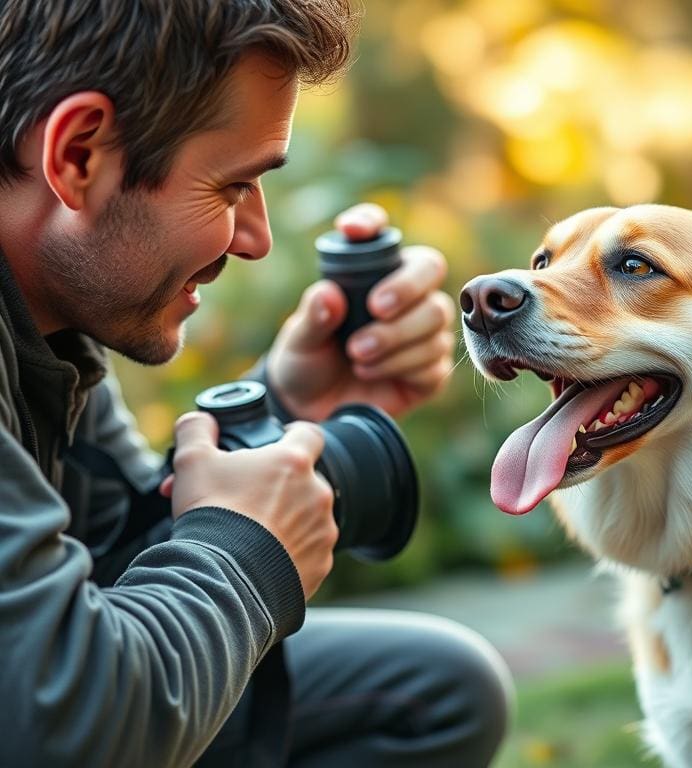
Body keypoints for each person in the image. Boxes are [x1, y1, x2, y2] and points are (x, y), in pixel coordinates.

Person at [0, 1, 513, 766]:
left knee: (430, 692)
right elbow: (59, 722)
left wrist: (287, 405)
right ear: (79, 154)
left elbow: (107, 557)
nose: (256, 239)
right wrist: (248, 550)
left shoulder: (51, 317)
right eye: (232, 187)